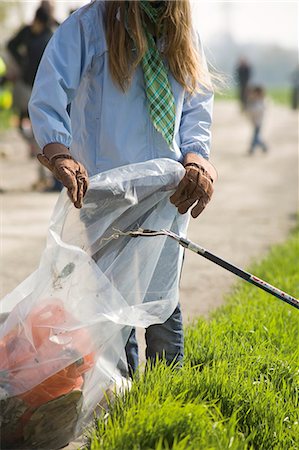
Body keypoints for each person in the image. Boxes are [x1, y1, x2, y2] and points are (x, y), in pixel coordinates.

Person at [29, 0, 217, 374]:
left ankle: (167, 392)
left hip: (167, 189)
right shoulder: (89, 25)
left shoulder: (180, 26)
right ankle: (120, 396)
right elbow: (51, 89)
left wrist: (196, 155)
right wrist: (59, 150)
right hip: (108, 189)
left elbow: (197, 102)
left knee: (162, 296)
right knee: (112, 299)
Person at [7, 7, 61, 191]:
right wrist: (20, 61)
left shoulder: (49, 37)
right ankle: (35, 148)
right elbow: (10, 46)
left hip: (40, 88)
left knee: (41, 133)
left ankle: (47, 174)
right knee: (25, 127)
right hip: (26, 86)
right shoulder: (27, 32)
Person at [245, 85, 268, 155]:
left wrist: (251, 102)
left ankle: (253, 148)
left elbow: (255, 111)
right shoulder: (255, 101)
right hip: (255, 122)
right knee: (256, 136)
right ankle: (263, 147)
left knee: (255, 136)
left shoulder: (261, 102)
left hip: (258, 122)